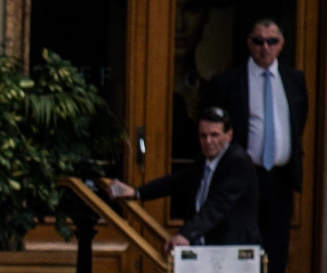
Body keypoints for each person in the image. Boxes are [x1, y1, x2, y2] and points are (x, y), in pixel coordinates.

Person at [201, 18, 307, 273]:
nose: (265, 47)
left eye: (271, 41)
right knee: (241, 243)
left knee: (277, 247)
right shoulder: (229, 81)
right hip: (244, 177)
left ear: (281, 45)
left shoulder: (294, 80)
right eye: (259, 41)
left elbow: (298, 120)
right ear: (249, 44)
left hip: (280, 177)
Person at [107, 107, 263, 249]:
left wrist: (187, 234)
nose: (208, 142)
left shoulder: (237, 161)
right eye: (203, 136)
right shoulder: (205, 159)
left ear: (229, 135)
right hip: (207, 246)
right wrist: (137, 192)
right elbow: (178, 181)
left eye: (214, 135)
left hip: (233, 250)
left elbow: (217, 205)